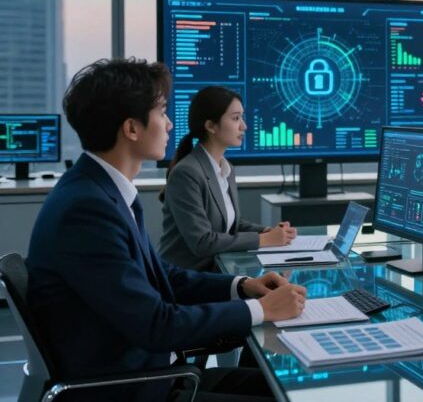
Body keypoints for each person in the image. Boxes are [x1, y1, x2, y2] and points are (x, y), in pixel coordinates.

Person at [27, 59, 307, 401]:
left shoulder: (103, 192)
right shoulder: (86, 209)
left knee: (289, 382)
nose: (171, 123)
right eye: (161, 112)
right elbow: (157, 325)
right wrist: (263, 310)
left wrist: (243, 286)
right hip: (136, 388)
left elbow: (163, 277)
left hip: (158, 374)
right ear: (132, 128)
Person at [160, 86, 296, 271]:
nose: (244, 126)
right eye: (235, 118)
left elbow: (231, 224)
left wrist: (267, 231)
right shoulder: (187, 173)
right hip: (187, 280)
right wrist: (264, 240)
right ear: (210, 126)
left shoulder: (226, 168)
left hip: (217, 271)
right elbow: (202, 242)